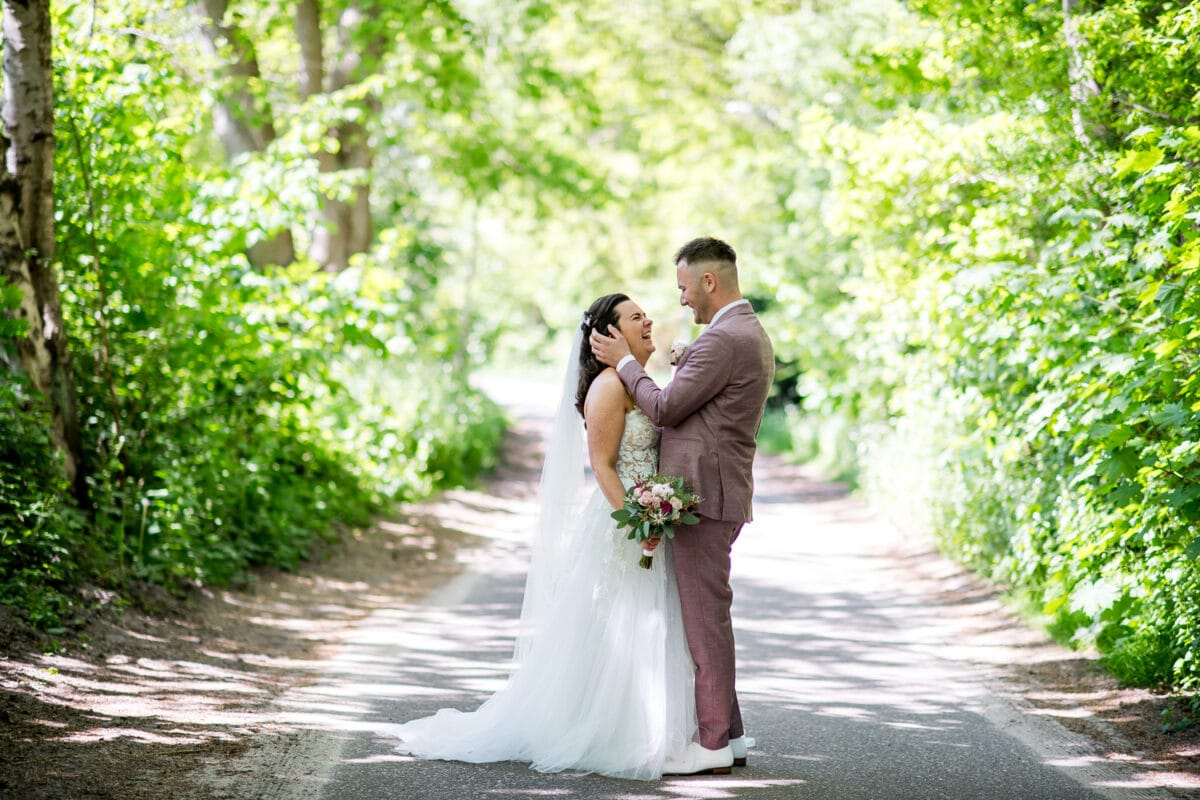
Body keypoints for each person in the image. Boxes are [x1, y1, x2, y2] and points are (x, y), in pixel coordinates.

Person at [394, 293, 700, 780]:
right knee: (616, 623)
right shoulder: (607, 387)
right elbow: (601, 466)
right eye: (635, 317)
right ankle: (606, 729)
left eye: (645, 314)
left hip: (651, 519)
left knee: (647, 621)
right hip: (624, 523)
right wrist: (642, 523)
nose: (648, 321)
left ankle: (649, 727)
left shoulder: (641, 383)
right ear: (608, 336)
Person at [589, 237, 774, 776]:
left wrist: (626, 363)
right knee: (708, 614)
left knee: (704, 621)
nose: (682, 301)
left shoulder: (725, 339)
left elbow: (666, 408)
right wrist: (687, 358)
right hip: (717, 490)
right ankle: (731, 736)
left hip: (706, 494)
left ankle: (713, 741)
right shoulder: (740, 333)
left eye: (684, 289)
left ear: (708, 282)